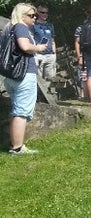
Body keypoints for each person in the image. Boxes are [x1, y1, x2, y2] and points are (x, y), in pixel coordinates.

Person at [4, 3, 48, 155]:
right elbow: (24, 46)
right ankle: (17, 147)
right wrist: (39, 48)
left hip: (12, 76)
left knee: (16, 110)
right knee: (21, 112)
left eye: (35, 15)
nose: (35, 18)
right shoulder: (21, 27)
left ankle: (15, 144)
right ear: (21, 15)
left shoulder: (8, 28)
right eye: (31, 15)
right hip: (24, 74)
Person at [31, 4, 56, 81]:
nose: (45, 14)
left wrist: (54, 53)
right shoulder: (33, 25)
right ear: (37, 13)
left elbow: (52, 39)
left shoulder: (50, 25)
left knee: (51, 80)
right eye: (42, 12)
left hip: (50, 55)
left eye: (46, 12)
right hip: (39, 55)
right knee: (39, 80)